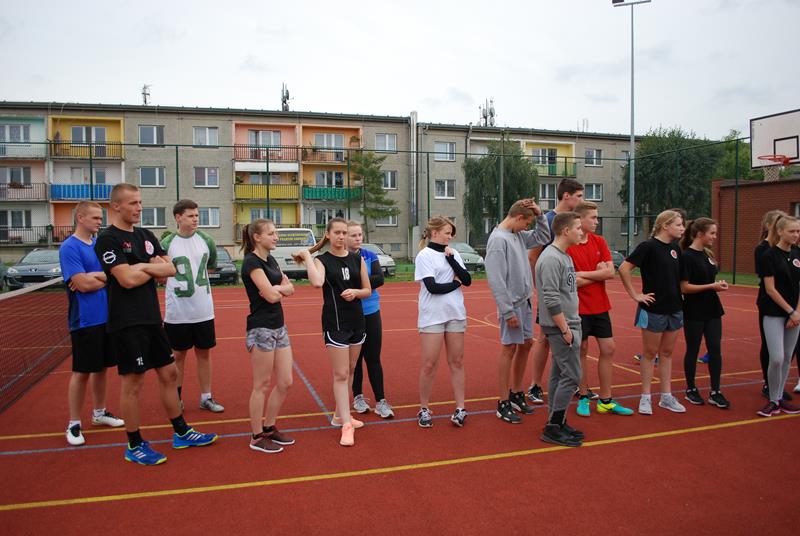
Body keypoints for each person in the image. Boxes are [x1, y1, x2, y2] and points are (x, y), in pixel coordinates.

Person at [95, 184, 217, 465]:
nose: (139, 208)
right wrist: (150, 268)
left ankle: (181, 432)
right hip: (127, 322)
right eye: (133, 203)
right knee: (133, 382)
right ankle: (134, 444)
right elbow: (126, 280)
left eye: (140, 202)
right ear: (116, 206)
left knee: (169, 374)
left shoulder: (146, 236)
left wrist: (141, 267)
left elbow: (171, 269)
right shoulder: (108, 239)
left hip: (152, 319)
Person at [296, 218, 371, 446]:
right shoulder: (323, 260)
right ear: (328, 234)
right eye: (337, 232)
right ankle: (346, 424)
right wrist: (308, 257)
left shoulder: (357, 259)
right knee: (340, 374)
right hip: (335, 323)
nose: (341, 236)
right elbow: (317, 283)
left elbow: (367, 290)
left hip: (357, 321)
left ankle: (340, 415)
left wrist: (355, 293)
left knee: (351, 369)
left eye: (344, 232)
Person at [60, 201, 124, 445]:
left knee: (102, 369)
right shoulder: (69, 247)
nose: (100, 222)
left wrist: (97, 276)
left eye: (101, 217)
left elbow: (114, 275)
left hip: (107, 317)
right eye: (96, 218)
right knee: (82, 372)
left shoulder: (99, 244)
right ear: (80, 218)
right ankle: (73, 423)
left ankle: (99, 413)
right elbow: (83, 285)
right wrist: (101, 278)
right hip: (85, 320)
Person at [485, 199, 550, 424]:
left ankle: (516, 393)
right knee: (509, 348)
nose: (527, 227)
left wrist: (540, 215)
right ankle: (502, 401)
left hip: (525, 301)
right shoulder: (498, 240)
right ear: (518, 218)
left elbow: (543, 237)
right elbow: (496, 279)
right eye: (527, 223)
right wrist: (507, 311)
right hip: (512, 305)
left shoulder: (518, 235)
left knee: (526, 344)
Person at [567, 201, 633, 417]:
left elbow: (610, 273)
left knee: (608, 349)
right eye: (593, 218)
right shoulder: (569, 245)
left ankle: (606, 399)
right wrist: (598, 274)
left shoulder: (600, 241)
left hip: (600, 306)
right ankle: (583, 396)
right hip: (578, 309)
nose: (597, 221)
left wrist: (585, 275)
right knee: (582, 350)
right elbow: (572, 282)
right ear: (580, 219)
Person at [618, 210, 687, 415]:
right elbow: (623, 268)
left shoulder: (675, 248)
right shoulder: (648, 247)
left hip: (674, 308)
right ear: (665, 226)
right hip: (653, 309)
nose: (682, 228)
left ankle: (666, 396)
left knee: (667, 353)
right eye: (678, 224)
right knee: (649, 354)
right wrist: (635, 295)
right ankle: (645, 397)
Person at [161, 199, 224, 414]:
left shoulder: (206, 240)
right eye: (190, 215)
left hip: (203, 308)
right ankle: (176, 397)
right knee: (178, 355)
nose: (196, 219)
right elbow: (159, 271)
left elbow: (211, 267)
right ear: (178, 217)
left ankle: (206, 397)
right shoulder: (167, 243)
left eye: (197, 215)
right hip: (177, 310)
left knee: (204, 353)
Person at [240, 219, 296, 453]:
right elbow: (271, 297)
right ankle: (256, 436)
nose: (276, 237)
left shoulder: (270, 260)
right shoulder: (251, 262)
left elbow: (288, 287)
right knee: (261, 384)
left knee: (285, 382)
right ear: (257, 237)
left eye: (276, 233)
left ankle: (269, 427)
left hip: (279, 327)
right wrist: (278, 290)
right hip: (261, 328)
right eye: (271, 233)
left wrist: (278, 289)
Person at [527, 178, 585, 404]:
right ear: (566, 196)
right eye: (579, 196)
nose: (582, 200)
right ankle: (535, 384)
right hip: (551, 290)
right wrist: (540, 288)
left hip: (565, 287)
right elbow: (533, 255)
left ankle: (561, 385)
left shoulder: (573, 221)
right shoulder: (551, 220)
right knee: (545, 336)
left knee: (562, 341)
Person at [414, 216, 471, 428]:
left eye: (451, 233)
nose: (450, 237)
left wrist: (452, 260)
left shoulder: (453, 253)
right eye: (447, 233)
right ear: (435, 232)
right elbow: (433, 287)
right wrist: (455, 284)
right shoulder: (424, 255)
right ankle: (424, 408)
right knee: (429, 364)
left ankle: (460, 407)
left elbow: (467, 279)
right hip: (432, 316)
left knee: (457, 362)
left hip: (455, 313)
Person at [535, 212, 584, 447]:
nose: (582, 232)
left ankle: (557, 421)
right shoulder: (551, 258)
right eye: (578, 228)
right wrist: (564, 328)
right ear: (566, 231)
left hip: (568, 322)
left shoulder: (563, 256)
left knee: (559, 374)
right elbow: (551, 297)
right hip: (561, 326)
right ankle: (553, 426)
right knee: (573, 376)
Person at [679, 218, 730, 408]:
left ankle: (715, 391)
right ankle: (691, 389)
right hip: (694, 310)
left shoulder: (707, 255)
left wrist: (717, 285)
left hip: (713, 309)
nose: (715, 237)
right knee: (693, 349)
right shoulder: (686, 257)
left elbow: (708, 280)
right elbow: (684, 287)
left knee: (715, 349)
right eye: (712, 233)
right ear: (700, 234)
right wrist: (711, 286)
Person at [346, 221, 394, 419]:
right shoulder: (341, 258)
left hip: (371, 311)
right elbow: (341, 283)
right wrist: (365, 283)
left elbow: (379, 279)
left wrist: (355, 284)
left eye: (360, 234)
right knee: (355, 360)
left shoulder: (370, 255)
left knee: (373, 358)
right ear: (344, 237)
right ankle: (357, 396)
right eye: (353, 235)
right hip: (351, 314)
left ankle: (381, 401)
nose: (358, 238)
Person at [756, 215, 800, 417]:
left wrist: (796, 313)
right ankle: (773, 400)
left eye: (798, 231)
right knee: (776, 358)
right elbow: (770, 289)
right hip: (773, 313)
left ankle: (779, 398)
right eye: (792, 231)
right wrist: (790, 311)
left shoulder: (798, 254)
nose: (796, 235)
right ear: (780, 231)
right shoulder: (769, 255)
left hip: (795, 315)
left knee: (787, 358)